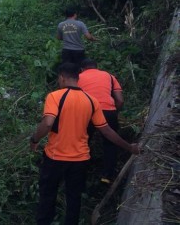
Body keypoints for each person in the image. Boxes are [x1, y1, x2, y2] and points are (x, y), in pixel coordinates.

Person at [29, 63, 139, 225]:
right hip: (80, 159)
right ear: (78, 78)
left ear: (62, 78)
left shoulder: (55, 96)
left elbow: (47, 123)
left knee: (47, 196)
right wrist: (130, 147)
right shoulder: (92, 101)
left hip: (55, 157)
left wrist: (34, 139)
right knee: (74, 199)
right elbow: (107, 131)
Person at [78, 59, 124, 183]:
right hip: (107, 110)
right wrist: (114, 112)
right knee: (110, 143)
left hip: (87, 111)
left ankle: (80, 174)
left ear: (82, 69)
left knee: (82, 142)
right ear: (97, 67)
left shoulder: (78, 77)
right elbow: (120, 100)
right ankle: (107, 176)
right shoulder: (109, 76)